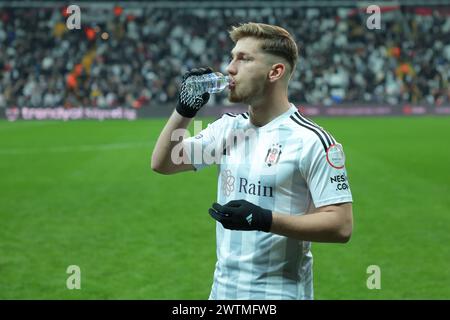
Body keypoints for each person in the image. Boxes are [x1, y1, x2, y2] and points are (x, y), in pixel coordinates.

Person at [151, 22, 353, 300]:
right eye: (232, 57)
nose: (230, 68)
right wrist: (184, 111)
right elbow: (164, 163)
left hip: (279, 295)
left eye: (244, 59)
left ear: (275, 72)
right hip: (222, 293)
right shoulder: (227, 129)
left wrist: (263, 219)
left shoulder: (311, 141)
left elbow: (341, 226)